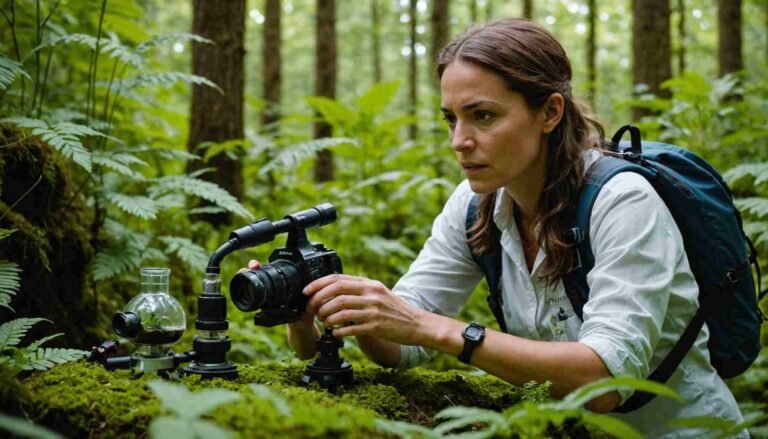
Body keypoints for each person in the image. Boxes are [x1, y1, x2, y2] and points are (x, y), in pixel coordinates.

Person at [248, 18, 746, 438]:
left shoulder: (623, 201)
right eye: (451, 119)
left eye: (482, 116)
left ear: (549, 112)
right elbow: (404, 346)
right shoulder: (475, 204)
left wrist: (434, 328)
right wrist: (329, 305)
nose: (459, 141)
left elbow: (604, 381)